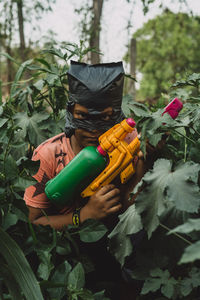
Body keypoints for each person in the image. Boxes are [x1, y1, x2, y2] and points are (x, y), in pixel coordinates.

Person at [24, 60, 146, 299]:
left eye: (105, 117)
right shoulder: (47, 155)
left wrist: (143, 158)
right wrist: (85, 215)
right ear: (70, 111)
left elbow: (132, 206)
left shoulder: (126, 140)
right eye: (82, 116)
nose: (92, 129)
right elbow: (34, 224)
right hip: (66, 254)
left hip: (116, 246)